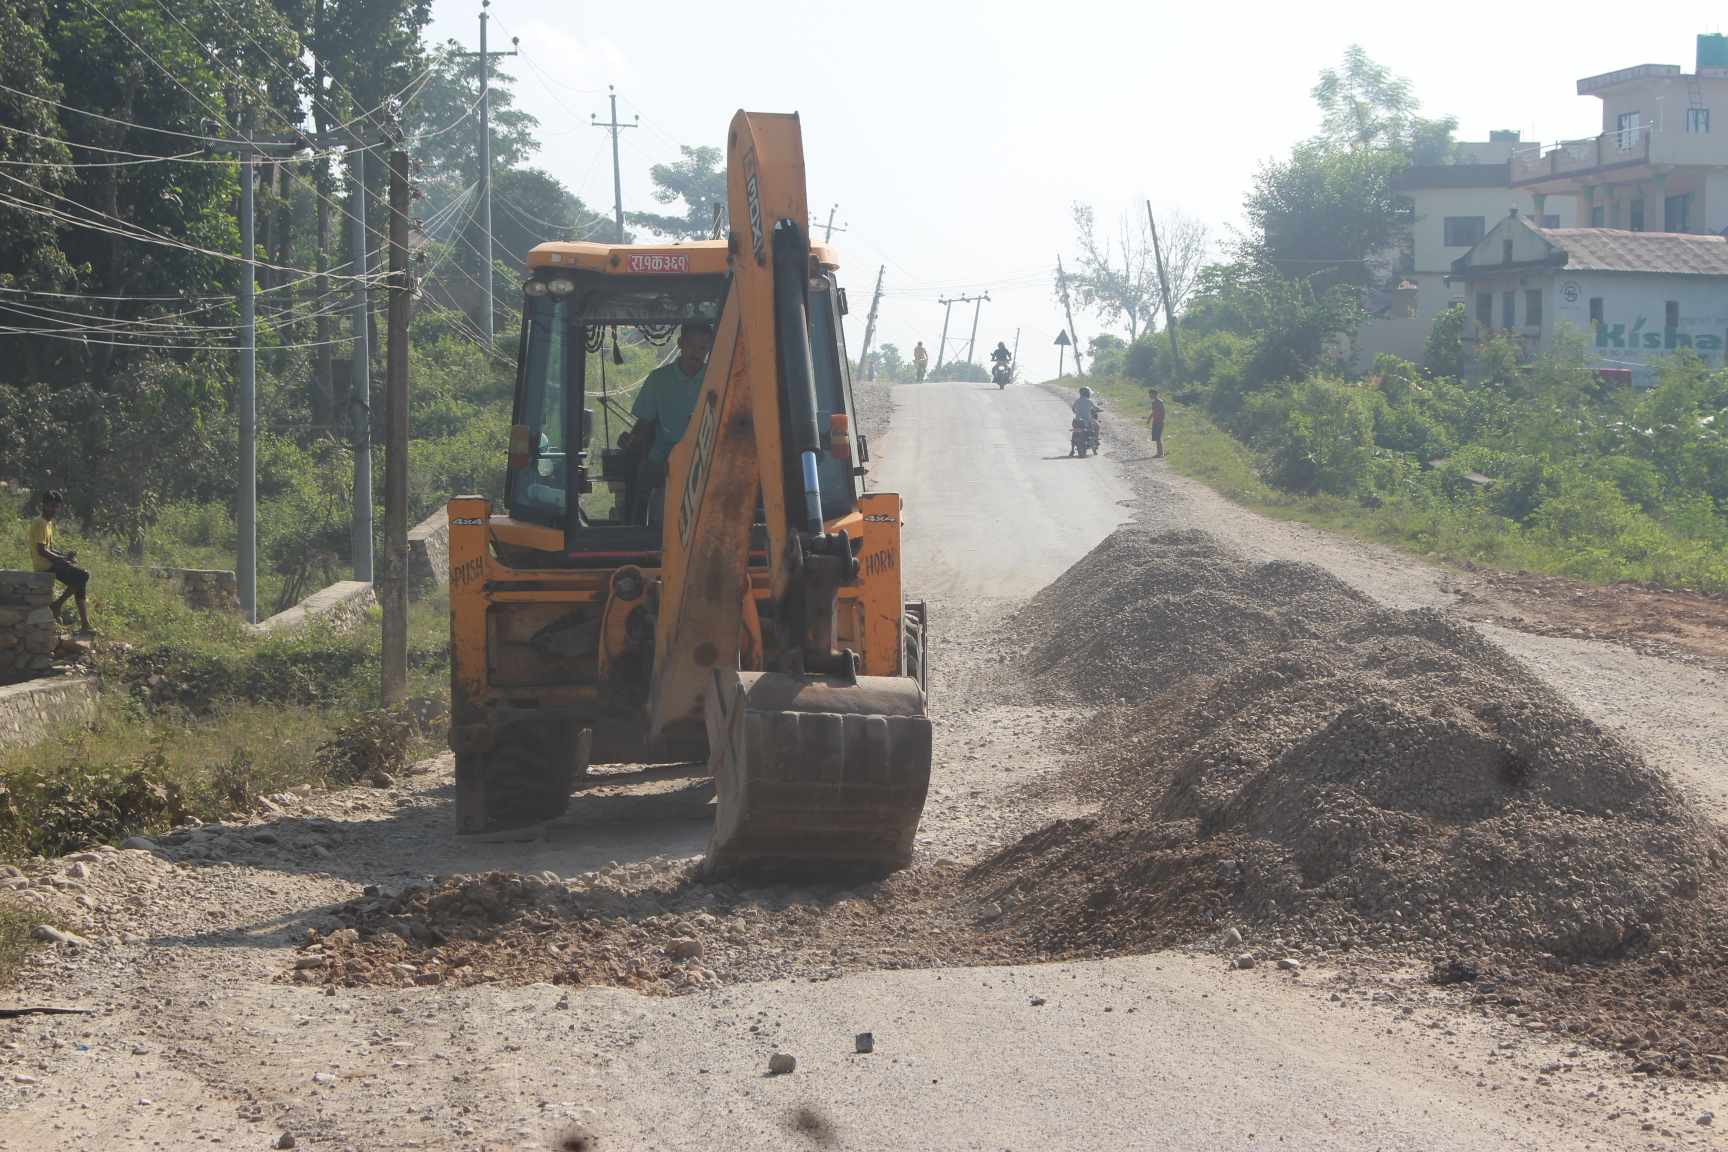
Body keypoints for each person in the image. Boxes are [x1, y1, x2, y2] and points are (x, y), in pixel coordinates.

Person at [621, 321, 714, 521]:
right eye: (691, 346)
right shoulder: (658, 380)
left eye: (703, 348)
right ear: (680, 343)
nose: (696, 353)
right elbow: (644, 423)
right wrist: (633, 444)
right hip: (666, 460)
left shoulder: (716, 380)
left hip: (709, 458)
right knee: (660, 510)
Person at [30, 490, 91, 634]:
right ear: (44, 505)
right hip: (44, 566)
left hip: (51, 563)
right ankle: (58, 605)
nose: (54, 509)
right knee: (83, 576)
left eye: (56, 507)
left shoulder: (48, 523)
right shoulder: (40, 523)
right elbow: (42, 551)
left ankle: (85, 623)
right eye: (51, 506)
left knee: (80, 578)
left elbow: (50, 548)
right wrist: (62, 560)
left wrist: (65, 556)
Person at [1146, 389, 1167, 458]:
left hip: (1159, 422)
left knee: (1158, 438)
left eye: (1151, 394)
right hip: (1156, 421)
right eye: (1149, 394)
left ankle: (1160, 453)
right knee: (1156, 438)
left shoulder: (1159, 402)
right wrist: (1149, 418)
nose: (1149, 396)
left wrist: (1160, 421)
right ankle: (1159, 453)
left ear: (1155, 394)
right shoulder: (1154, 402)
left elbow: (1163, 412)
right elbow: (1154, 411)